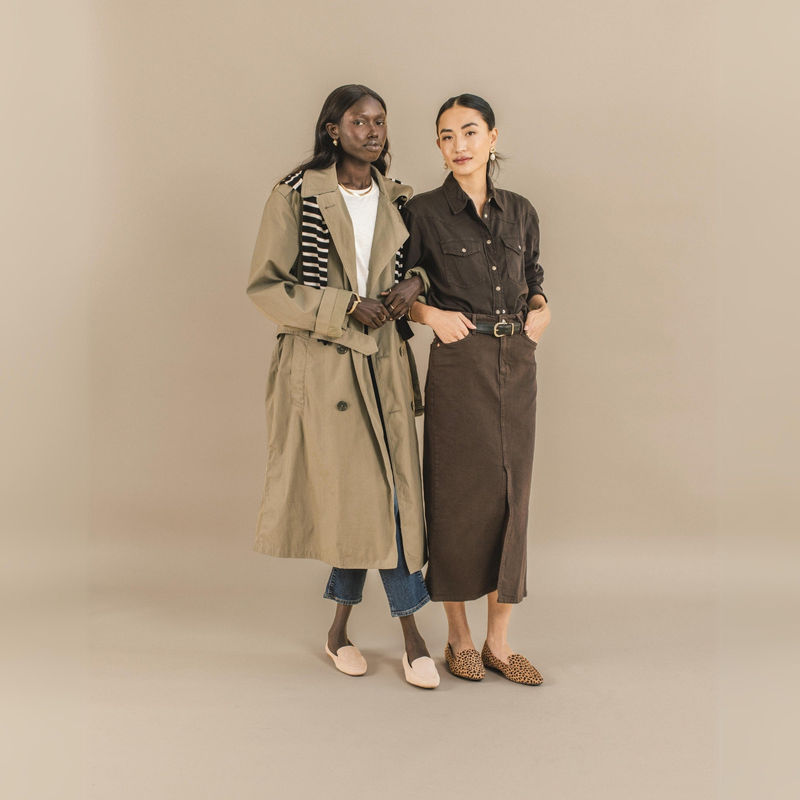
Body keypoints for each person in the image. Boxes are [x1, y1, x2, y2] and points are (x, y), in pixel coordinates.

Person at [246, 84, 438, 689]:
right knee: (367, 498)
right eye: (359, 121)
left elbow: (422, 264)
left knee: (388, 497)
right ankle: (412, 637)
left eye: (380, 121)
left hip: (382, 360)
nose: (373, 131)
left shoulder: (398, 197)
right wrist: (342, 307)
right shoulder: (296, 195)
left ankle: (339, 630)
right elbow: (267, 287)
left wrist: (415, 285)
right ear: (333, 129)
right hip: (326, 364)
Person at [396, 93, 551, 685]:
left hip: (518, 361)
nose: (458, 145)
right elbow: (398, 290)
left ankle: (499, 643)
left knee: (515, 496)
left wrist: (541, 308)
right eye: (445, 136)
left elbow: (534, 276)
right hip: (460, 363)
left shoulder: (521, 211)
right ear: (439, 147)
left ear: (492, 137)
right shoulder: (425, 212)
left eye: (469, 132)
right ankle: (458, 638)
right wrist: (430, 317)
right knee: (457, 495)